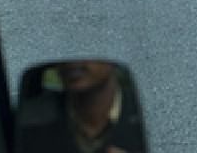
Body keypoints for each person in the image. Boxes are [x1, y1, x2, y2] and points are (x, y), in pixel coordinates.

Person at [15, 60, 147, 153]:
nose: (72, 61)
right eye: (63, 49)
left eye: (87, 47)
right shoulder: (29, 121)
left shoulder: (150, 114)